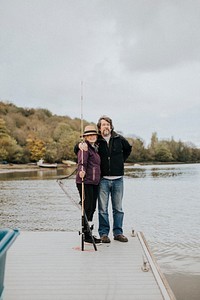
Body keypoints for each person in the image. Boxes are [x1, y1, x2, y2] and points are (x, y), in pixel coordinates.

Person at [96, 116, 132, 243]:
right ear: (99, 128)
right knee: (102, 209)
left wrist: (120, 161)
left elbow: (128, 149)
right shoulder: (97, 141)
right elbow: (78, 148)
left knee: (118, 209)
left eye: (107, 124)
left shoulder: (119, 139)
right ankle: (104, 234)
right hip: (103, 180)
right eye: (103, 124)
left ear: (111, 126)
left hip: (118, 180)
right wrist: (79, 145)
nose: (105, 126)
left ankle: (118, 233)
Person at [76, 124, 101, 244]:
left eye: (93, 135)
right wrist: (82, 170)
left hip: (95, 182)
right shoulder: (84, 147)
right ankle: (86, 235)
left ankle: (90, 232)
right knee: (87, 207)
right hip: (85, 181)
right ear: (85, 137)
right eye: (89, 135)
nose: (91, 137)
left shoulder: (95, 148)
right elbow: (82, 162)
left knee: (92, 208)